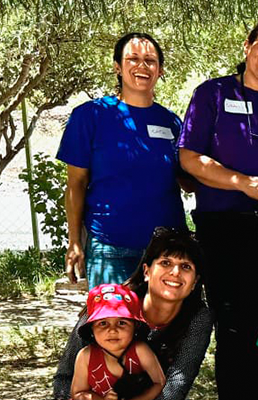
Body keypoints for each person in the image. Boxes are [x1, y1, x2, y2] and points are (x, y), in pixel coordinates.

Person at [176, 18, 258, 399]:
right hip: (224, 227)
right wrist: (242, 183)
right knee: (234, 327)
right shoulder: (212, 94)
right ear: (248, 46)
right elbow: (189, 158)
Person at [58, 32, 187, 289]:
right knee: (113, 316)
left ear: (160, 70)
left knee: (167, 318)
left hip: (166, 251)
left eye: (150, 60)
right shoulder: (90, 116)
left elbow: (188, 179)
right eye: (133, 59)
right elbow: (76, 184)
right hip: (110, 249)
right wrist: (74, 241)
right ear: (117, 66)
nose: (142, 66)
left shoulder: (171, 122)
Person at [52, 227, 214, 400]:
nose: (175, 272)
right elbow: (63, 378)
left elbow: (177, 385)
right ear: (146, 271)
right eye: (165, 263)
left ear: (195, 281)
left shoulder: (198, 318)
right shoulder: (109, 303)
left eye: (186, 266)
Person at [69, 283, 166, 400]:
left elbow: (159, 382)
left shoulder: (140, 350)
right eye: (103, 323)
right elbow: (78, 393)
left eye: (121, 323)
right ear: (92, 329)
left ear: (135, 327)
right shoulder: (85, 356)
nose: (112, 330)